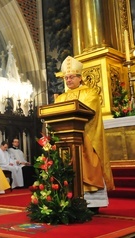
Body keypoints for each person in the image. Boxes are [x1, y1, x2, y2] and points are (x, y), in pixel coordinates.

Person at [55, 56, 115, 213]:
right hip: (65, 141)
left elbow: (88, 112)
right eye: (66, 77)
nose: (68, 80)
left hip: (86, 139)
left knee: (88, 166)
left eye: (71, 77)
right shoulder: (61, 97)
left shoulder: (90, 93)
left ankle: (92, 204)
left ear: (80, 77)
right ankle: (68, 200)